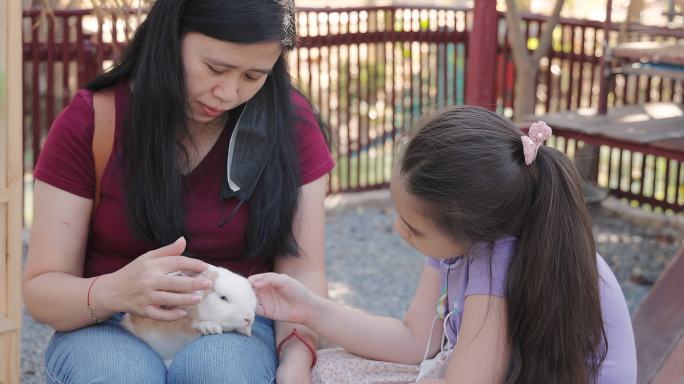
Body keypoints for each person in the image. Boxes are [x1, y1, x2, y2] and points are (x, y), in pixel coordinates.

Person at [22, 0, 334, 383]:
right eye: (215, 68)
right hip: (111, 324)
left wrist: (296, 361)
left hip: (235, 325)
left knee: (221, 373)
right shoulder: (93, 120)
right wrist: (113, 292)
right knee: (120, 376)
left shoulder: (292, 126)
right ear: (169, 39)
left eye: (253, 76)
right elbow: (42, 289)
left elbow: (303, 272)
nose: (227, 92)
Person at [249, 106, 637, 384]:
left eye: (415, 229)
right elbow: (414, 340)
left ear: (467, 227)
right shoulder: (461, 243)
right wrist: (308, 308)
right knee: (327, 370)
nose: (400, 232)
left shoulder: (495, 262)